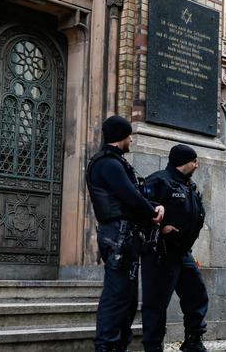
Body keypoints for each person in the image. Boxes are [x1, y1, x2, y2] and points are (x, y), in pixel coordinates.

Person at [87, 115, 165, 352]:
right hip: (118, 235)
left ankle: (117, 345)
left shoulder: (113, 162)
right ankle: (106, 347)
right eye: (129, 135)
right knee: (117, 296)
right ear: (121, 137)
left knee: (127, 299)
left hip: (124, 236)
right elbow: (129, 195)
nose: (132, 139)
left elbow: (133, 193)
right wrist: (153, 211)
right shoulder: (107, 163)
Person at [141, 144, 208, 352]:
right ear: (183, 162)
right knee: (157, 303)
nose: (196, 165)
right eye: (194, 161)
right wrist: (160, 229)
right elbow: (139, 208)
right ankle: (153, 347)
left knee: (196, 294)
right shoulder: (159, 180)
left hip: (183, 252)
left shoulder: (190, 186)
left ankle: (193, 340)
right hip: (161, 252)